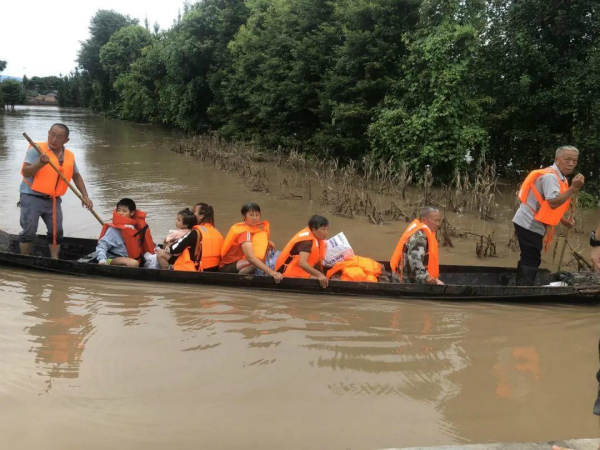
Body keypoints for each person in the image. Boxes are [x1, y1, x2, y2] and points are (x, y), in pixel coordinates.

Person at [512, 145, 585, 285]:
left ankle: (521, 284)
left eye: (574, 161)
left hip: (532, 221)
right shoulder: (551, 177)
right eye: (567, 159)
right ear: (557, 159)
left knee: (529, 255)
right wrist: (574, 188)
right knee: (532, 257)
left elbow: (545, 204)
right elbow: (552, 203)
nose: (571, 164)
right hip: (529, 222)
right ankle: (524, 287)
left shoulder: (560, 177)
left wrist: (563, 220)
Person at [19, 124, 93, 259]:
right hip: (31, 196)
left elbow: (76, 175)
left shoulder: (69, 155)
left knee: (56, 232)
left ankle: (55, 261)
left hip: (53, 200)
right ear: (48, 133)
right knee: (29, 231)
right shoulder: (37, 150)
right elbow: (26, 172)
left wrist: (85, 196)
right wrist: (40, 163)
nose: (54, 140)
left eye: (59, 137)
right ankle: (25, 259)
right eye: (52, 135)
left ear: (66, 140)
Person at [220, 202, 283, 283]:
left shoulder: (249, 228)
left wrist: (266, 243)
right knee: (255, 262)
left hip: (238, 262)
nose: (255, 218)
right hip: (227, 268)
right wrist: (272, 273)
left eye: (257, 215)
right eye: (251, 215)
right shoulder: (244, 233)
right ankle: (238, 280)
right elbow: (251, 258)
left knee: (262, 258)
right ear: (244, 216)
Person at [390, 206, 443, 285]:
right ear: (424, 220)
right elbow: (414, 258)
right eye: (435, 221)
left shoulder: (424, 231)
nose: (438, 224)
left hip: (409, 274)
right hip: (406, 280)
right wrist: (427, 278)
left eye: (439, 221)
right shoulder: (419, 236)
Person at [96, 198, 155, 267]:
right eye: (119, 210)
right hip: (113, 258)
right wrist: (102, 259)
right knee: (133, 263)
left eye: (124, 211)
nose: (120, 213)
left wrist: (156, 249)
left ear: (132, 213)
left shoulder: (134, 227)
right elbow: (101, 246)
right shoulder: (113, 229)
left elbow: (144, 242)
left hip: (130, 258)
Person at [275, 215, 329, 288]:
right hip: (290, 271)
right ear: (314, 230)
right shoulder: (306, 242)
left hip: (301, 268)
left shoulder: (316, 237)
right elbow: (302, 263)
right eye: (323, 229)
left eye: (327, 229)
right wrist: (319, 275)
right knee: (322, 280)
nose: (326, 233)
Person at [192, 203, 224, 271]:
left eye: (193, 212)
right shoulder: (216, 231)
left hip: (201, 268)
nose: (191, 214)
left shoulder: (196, 232)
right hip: (216, 267)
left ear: (201, 216)